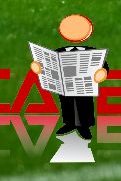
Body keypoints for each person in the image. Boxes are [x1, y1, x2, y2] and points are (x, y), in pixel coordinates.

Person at [28, 13, 109, 141]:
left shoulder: (91, 52)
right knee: (67, 102)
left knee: (84, 103)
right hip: (64, 84)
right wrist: (39, 68)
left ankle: (84, 126)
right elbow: (48, 63)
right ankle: (70, 123)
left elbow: (102, 64)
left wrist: (102, 72)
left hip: (84, 84)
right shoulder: (59, 52)